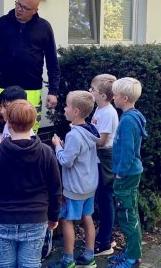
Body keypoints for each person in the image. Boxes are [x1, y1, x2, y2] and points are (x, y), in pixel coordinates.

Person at [0, 100, 62, 268]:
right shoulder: (46, 153)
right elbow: (55, 189)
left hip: (2, 219)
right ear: (34, 122)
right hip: (36, 218)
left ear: (8, 121)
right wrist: (54, 215)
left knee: (3, 265)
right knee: (30, 264)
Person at [0, 0, 61, 131]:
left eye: (25, 8)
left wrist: (53, 92)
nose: (19, 9)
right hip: (4, 87)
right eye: (18, 4)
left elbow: (53, 63)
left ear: (35, 11)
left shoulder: (44, 27)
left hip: (31, 89)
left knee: (28, 131)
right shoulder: (2, 23)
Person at [50, 90, 100, 268]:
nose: (64, 108)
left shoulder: (73, 135)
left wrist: (57, 146)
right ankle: (89, 256)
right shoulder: (91, 131)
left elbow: (66, 161)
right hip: (89, 184)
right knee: (88, 217)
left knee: (67, 220)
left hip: (75, 188)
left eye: (67, 105)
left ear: (76, 111)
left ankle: (68, 260)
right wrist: (66, 147)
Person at [107, 78, 147, 268]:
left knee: (127, 216)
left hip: (126, 176)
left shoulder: (128, 121)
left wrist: (120, 173)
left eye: (114, 95)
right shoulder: (133, 116)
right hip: (130, 174)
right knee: (130, 214)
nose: (112, 98)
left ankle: (132, 259)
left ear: (124, 98)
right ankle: (132, 252)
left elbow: (128, 152)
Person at [89, 74, 119, 256]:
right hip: (99, 160)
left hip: (105, 161)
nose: (89, 92)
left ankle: (105, 242)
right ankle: (106, 237)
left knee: (105, 199)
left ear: (103, 96)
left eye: (92, 89)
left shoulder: (108, 112)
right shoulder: (100, 109)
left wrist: (83, 136)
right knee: (102, 198)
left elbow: (101, 141)